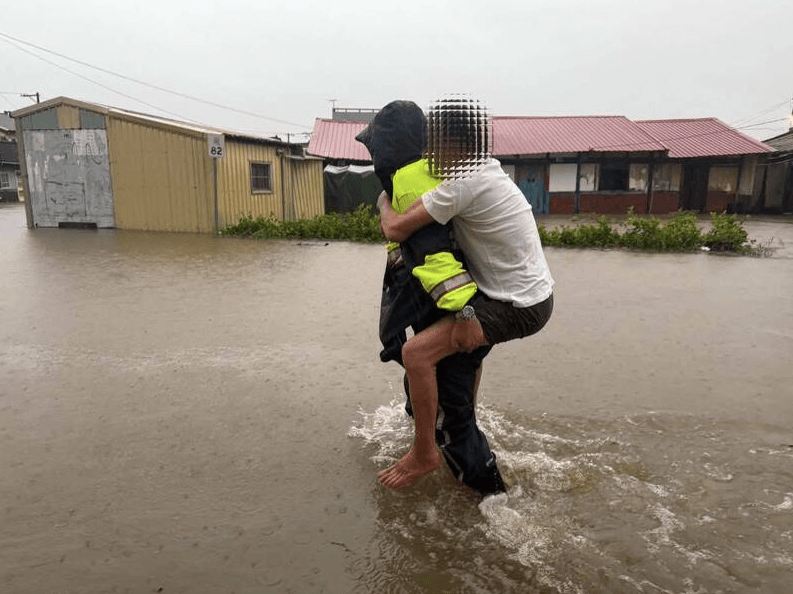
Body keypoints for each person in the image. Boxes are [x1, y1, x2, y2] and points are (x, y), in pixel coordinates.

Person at [377, 96, 555, 490]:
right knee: (458, 359)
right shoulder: (488, 169)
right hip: (530, 294)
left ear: (457, 147)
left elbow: (396, 229)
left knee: (416, 353)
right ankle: (460, 423)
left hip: (514, 305)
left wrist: (384, 199)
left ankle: (424, 453)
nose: (429, 154)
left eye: (436, 145)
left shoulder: (461, 185)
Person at [356, 100, 507, 495]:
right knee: (438, 396)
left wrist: (463, 314)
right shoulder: (435, 175)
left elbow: (434, 256)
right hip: (470, 304)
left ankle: (491, 501)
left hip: (455, 314)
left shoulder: (411, 186)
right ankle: (438, 444)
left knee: (452, 421)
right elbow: (404, 257)